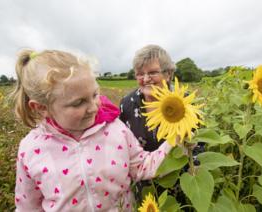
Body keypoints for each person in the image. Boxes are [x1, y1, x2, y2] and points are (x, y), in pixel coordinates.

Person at [12, 49, 173, 211]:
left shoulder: (116, 130)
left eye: (95, 94)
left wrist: (176, 140)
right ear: (41, 108)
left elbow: (143, 166)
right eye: (78, 103)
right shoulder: (31, 149)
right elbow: (28, 207)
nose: (93, 107)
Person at [119, 44, 204, 203]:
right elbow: (121, 146)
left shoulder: (184, 102)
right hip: (145, 189)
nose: (145, 79)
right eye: (139, 74)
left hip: (181, 185)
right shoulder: (127, 104)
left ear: (169, 74)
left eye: (152, 72)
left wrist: (195, 172)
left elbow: (199, 144)